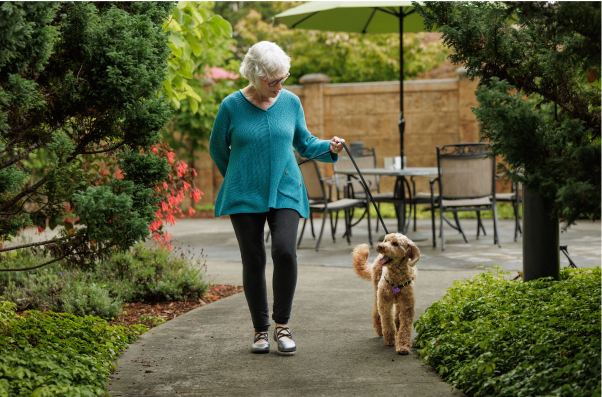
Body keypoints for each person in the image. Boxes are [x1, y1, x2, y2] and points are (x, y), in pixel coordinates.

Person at [209, 41, 344, 355]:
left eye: (283, 78)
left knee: (284, 251)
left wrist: (331, 147)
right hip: (244, 191)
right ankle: (260, 331)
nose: (279, 86)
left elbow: (306, 144)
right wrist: (239, 176)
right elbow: (217, 150)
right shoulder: (230, 106)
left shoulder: (291, 102)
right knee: (253, 258)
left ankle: (282, 325)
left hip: (286, 188)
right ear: (255, 76)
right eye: (273, 81)